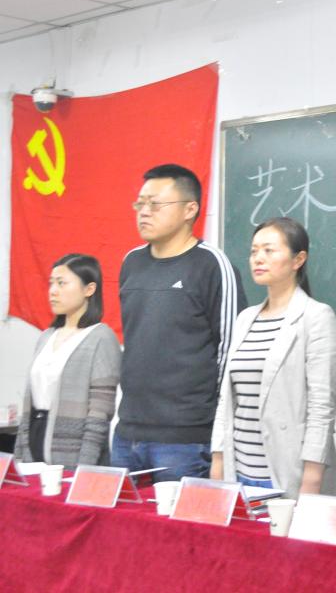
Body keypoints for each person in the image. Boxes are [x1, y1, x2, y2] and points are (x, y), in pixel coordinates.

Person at [113, 164, 246, 482]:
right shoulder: (132, 262)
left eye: (155, 204)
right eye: (140, 203)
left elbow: (231, 354)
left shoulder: (212, 265)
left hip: (185, 439)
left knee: (179, 517)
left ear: (190, 210)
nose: (144, 212)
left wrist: (216, 435)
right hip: (127, 433)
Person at [210, 217, 336, 498]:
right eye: (254, 251)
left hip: (286, 471)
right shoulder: (245, 319)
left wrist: (311, 479)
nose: (258, 258)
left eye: (269, 250)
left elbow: (321, 408)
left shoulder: (315, 317)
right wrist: (218, 460)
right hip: (239, 470)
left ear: (298, 259)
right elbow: (227, 400)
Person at [14, 254, 121, 468]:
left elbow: (99, 415)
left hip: (72, 451)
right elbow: (29, 402)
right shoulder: (46, 336)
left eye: (62, 283)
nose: (53, 291)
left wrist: (85, 467)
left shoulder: (101, 337)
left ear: (89, 289)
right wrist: (19, 455)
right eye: (51, 283)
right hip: (34, 440)